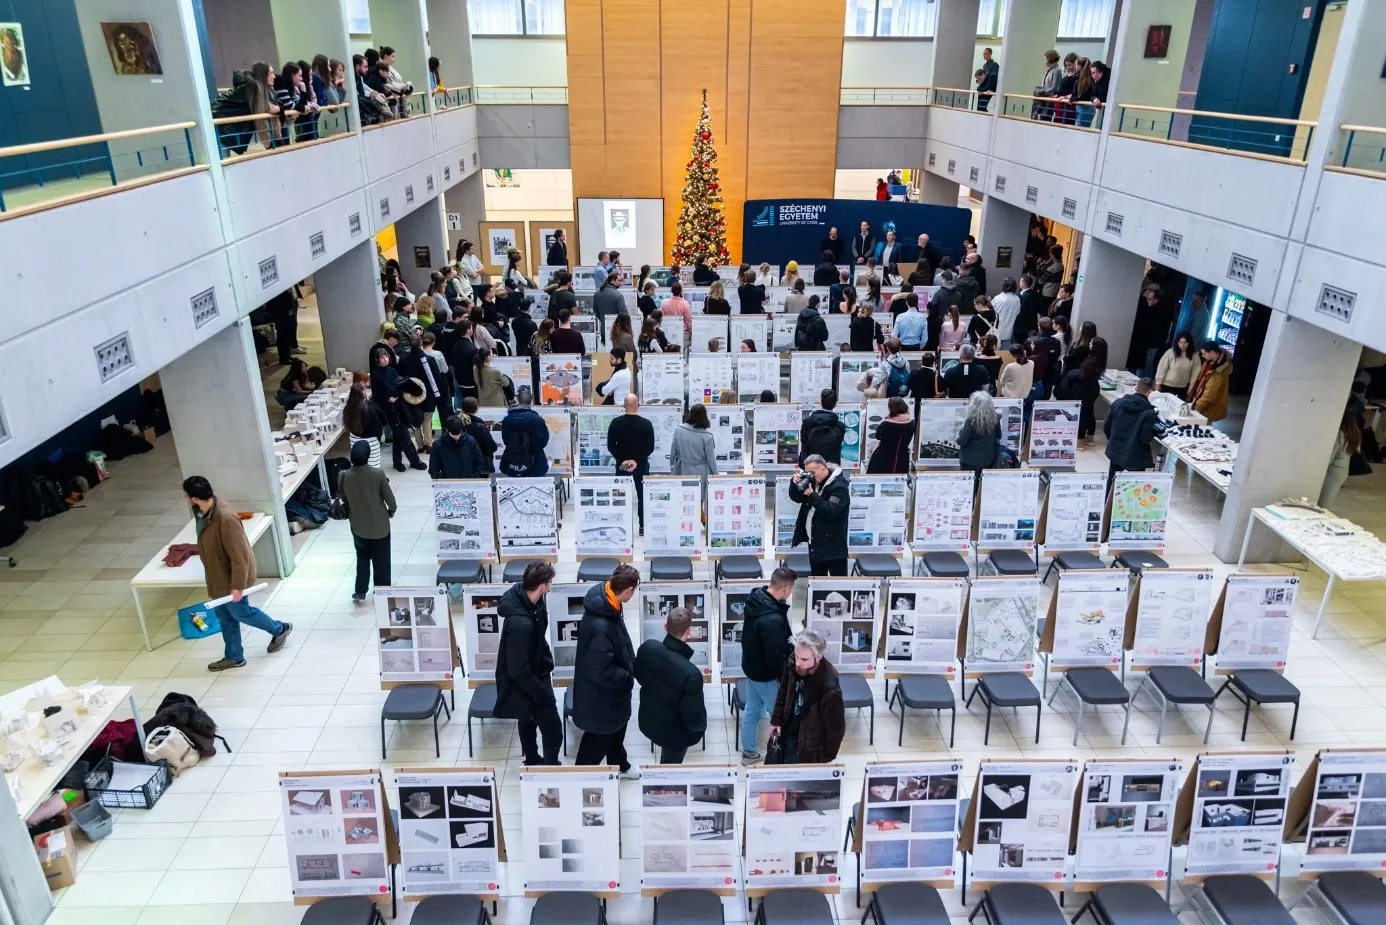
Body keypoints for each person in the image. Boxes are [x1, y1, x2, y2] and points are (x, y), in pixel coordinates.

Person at [184, 476, 291, 671]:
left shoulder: (225, 518)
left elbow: (240, 556)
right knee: (225, 616)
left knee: (241, 612)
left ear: (193, 498)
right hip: (217, 576)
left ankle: (279, 628)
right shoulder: (202, 513)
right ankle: (234, 656)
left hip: (230, 578)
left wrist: (237, 586)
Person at [572, 564, 640, 776]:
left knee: (617, 731)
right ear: (628, 590)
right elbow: (600, 671)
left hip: (611, 697)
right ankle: (578, 781)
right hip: (601, 698)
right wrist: (626, 676)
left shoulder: (609, 604)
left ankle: (620, 764)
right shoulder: (602, 625)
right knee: (596, 743)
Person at [495, 562, 562, 767]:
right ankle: (550, 768)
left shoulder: (535, 602)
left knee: (527, 720)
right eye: (549, 583)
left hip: (536, 670)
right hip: (530, 681)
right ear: (541, 585)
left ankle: (532, 760)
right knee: (553, 731)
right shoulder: (520, 625)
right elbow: (517, 669)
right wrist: (541, 692)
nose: (550, 587)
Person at [634, 606, 707, 765]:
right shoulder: (691, 674)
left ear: (666, 626)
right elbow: (693, 719)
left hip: (649, 720)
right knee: (671, 766)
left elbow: (639, 676)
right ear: (688, 632)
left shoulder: (648, 648)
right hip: (675, 734)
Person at [738, 567, 797, 764]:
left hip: (751, 667)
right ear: (786, 589)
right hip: (765, 675)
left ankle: (749, 753)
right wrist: (785, 678)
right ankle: (785, 755)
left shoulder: (756, 597)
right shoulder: (772, 619)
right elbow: (774, 657)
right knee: (780, 715)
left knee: (752, 711)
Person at [769, 629, 846, 764]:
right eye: (797, 655)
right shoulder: (793, 662)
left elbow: (836, 729)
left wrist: (825, 757)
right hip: (788, 733)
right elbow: (784, 690)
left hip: (809, 749)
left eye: (804, 659)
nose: (798, 663)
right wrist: (776, 719)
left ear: (819, 657)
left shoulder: (830, 688)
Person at [338, 439, 397, 602]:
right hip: (380, 525)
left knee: (362, 558)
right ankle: (382, 590)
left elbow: (344, 498)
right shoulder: (377, 474)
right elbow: (390, 500)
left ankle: (360, 590)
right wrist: (391, 511)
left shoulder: (344, 475)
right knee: (382, 560)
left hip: (357, 525)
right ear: (368, 456)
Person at [789, 454, 851, 576]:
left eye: (813, 472)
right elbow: (796, 498)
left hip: (834, 548)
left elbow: (830, 512)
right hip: (815, 544)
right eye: (807, 473)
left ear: (824, 469)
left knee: (839, 585)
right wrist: (794, 483)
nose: (810, 476)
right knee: (817, 584)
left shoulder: (839, 487)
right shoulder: (814, 482)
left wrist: (812, 495)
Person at [370, 345, 427, 472]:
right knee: (404, 437)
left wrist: (397, 392)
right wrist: (398, 391)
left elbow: (400, 385)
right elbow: (388, 390)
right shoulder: (376, 374)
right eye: (381, 357)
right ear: (376, 360)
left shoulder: (391, 370)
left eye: (386, 356)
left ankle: (397, 462)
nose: (385, 359)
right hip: (390, 411)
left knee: (398, 436)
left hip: (399, 408)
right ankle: (415, 461)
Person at [607, 393, 654, 529]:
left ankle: (620, 525)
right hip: (641, 466)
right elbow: (649, 447)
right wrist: (636, 461)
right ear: (638, 405)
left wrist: (623, 461)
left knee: (620, 496)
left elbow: (611, 446)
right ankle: (643, 526)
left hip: (622, 466)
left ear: (623, 406)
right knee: (642, 496)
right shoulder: (647, 424)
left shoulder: (615, 423)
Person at [1104, 377, 1160, 481]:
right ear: (1150, 392)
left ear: (1136, 387)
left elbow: (1107, 425)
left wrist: (1113, 439)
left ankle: (1108, 497)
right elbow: (1145, 439)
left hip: (1116, 450)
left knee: (1112, 481)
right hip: (1136, 455)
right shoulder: (1149, 413)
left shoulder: (1118, 403)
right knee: (1136, 488)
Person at [1059, 336, 1107, 446]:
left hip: (1084, 390)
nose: (1089, 344)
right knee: (1090, 412)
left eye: (1091, 343)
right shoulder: (1101, 359)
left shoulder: (1090, 361)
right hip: (1093, 388)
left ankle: (1079, 440)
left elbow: (1082, 376)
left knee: (1081, 414)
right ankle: (1090, 437)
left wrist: (1072, 373)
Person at [499, 387, 550, 477]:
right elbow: (543, 441)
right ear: (531, 400)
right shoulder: (537, 420)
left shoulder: (507, 419)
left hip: (512, 461)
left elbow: (506, 440)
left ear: (517, 399)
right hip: (536, 463)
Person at [1320, 406, 1361, 509]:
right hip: (1343, 470)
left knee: (1323, 503)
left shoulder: (1339, 436)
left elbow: (1329, 458)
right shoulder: (1355, 433)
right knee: (1328, 499)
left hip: (1332, 472)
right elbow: (1358, 450)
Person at [344, 374, 386, 468]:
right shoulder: (372, 409)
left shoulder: (348, 408)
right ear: (364, 394)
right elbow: (382, 423)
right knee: (373, 464)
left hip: (354, 438)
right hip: (371, 440)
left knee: (358, 463)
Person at [428, 414, 486, 479]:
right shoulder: (438, 445)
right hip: (448, 485)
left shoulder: (471, 441)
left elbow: (479, 463)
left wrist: (472, 477)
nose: (456, 437)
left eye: (458, 433)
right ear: (447, 430)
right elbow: (433, 470)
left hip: (469, 483)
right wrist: (446, 481)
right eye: (453, 434)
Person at [866, 398, 915, 473]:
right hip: (902, 458)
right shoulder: (912, 423)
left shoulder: (886, 424)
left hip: (883, 458)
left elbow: (877, 436)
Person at [669, 403, 719, 476]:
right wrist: (716, 475)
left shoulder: (678, 430)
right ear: (704, 416)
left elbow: (673, 452)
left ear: (690, 414)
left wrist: (672, 467)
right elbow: (711, 460)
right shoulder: (707, 437)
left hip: (681, 468)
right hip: (700, 472)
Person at [957, 392, 1000, 475]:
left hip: (969, 461)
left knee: (972, 486)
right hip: (988, 459)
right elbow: (999, 436)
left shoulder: (971, 421)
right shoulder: (995, 419)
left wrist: (960, 433)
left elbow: (961, 441)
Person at [1188, 343, 1233, 423]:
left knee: (1201, 430)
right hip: (1200, 403)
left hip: (1206, 409)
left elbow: (1209, 395)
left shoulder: (1219, 372)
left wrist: (1197, 407)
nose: (1202, 356)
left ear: (1212, 353)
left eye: (1204, 353)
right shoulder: (1210, 362)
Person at [799, 390, 846, 465]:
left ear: (821, 402)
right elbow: (838, 446)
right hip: (831, 466)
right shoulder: (840, 426)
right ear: (835, 404)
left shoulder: (807, 422)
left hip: (810, 465)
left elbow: (804, 443)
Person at [1155, 332, 1198, 399]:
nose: (1182, 345)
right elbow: (1162, 368)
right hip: (1167, 385)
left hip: (1183, 388)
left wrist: (1191, 388)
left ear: (1189, 343)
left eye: (1185, 342)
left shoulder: (1195, 355)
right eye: (1180, 342)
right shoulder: (1171, 352)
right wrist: (1158, 383)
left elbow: (1195, 373)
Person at [1012, 274, 1045, 344]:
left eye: (1020, 281)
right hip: (1029, 324)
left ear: (1024, 283)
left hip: (1021, 325)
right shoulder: (1034, 294)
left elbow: (1021, 311)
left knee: (1020, 342)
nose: (1019, 283)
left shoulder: (1024, 297)